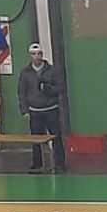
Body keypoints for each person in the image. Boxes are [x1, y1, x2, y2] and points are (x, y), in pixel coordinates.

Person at [18, 44, 66, 174]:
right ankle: (37, 164)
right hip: (35, 111)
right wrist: (24, 109)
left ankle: (60, 164)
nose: (37, 56)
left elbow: (61, 87)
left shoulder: (53, 70)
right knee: (35, 139)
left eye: (39, 53)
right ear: (30, 56)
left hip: (51, 109)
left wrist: (50, 90)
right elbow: (22, 91)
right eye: (34, 54)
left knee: (56, 137)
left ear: (42, 54)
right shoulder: (25, 73)